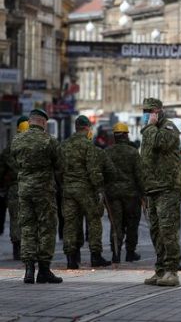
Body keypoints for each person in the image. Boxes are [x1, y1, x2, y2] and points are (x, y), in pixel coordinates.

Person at [11, 108, 63, 283]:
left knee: (27, 227)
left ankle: (28, 270)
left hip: (24, 190)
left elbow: (14, 162)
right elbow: (60, 165)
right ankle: (44, 270)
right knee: (46, 227)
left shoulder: (17, 140)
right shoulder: (49, 141)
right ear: (42, 122)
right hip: (44, 191)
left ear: (31, 121)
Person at [141, 98, 181, 287]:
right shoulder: (148, 131)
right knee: (156, 231)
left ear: (159, 111)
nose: (147, 114)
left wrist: (150, 127)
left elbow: (162, 144)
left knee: (168, 230)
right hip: (152, 188)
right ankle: (160, 271)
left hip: (168, 188)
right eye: (145, 111)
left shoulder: (169, 128)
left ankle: (172, 271)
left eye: (150, 111)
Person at [60, 115, 112, 269]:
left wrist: (64, 184)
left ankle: (71, 258)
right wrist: (99, 189)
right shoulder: (89, 146)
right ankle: (95, 256)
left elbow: (58, 169)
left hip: (68, 190)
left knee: (70, 223)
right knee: (94, 220)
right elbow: (93, 171)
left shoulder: (64, 145)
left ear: (76, 127)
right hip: (86, 190)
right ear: (88, 128)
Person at [104, 122, 143, 263]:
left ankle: (116, 253)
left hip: (113, 195)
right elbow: (140, 175)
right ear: (126, 135)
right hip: (131, 196)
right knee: (132, 224)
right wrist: (144, 194)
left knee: (116, 225)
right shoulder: (133, 153)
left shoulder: (107, 152)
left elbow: (103, 173)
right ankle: (130, 253)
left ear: (114, 136)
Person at [0, 116, 28, 260]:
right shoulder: (34, 146)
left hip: (14, 189)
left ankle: (17, 249)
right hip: (32, 187)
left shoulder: (9, 148)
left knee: (15, 218)